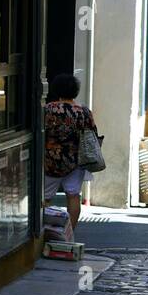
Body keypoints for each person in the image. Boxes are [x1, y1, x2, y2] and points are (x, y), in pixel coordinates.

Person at [44, 73, 99, 243]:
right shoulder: (84, 112)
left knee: (45, 197)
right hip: (76, 161)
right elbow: (93, 134)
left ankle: (45, 232)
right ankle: (68, 234)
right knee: (73, 195)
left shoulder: (49, 109)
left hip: (50, 160)